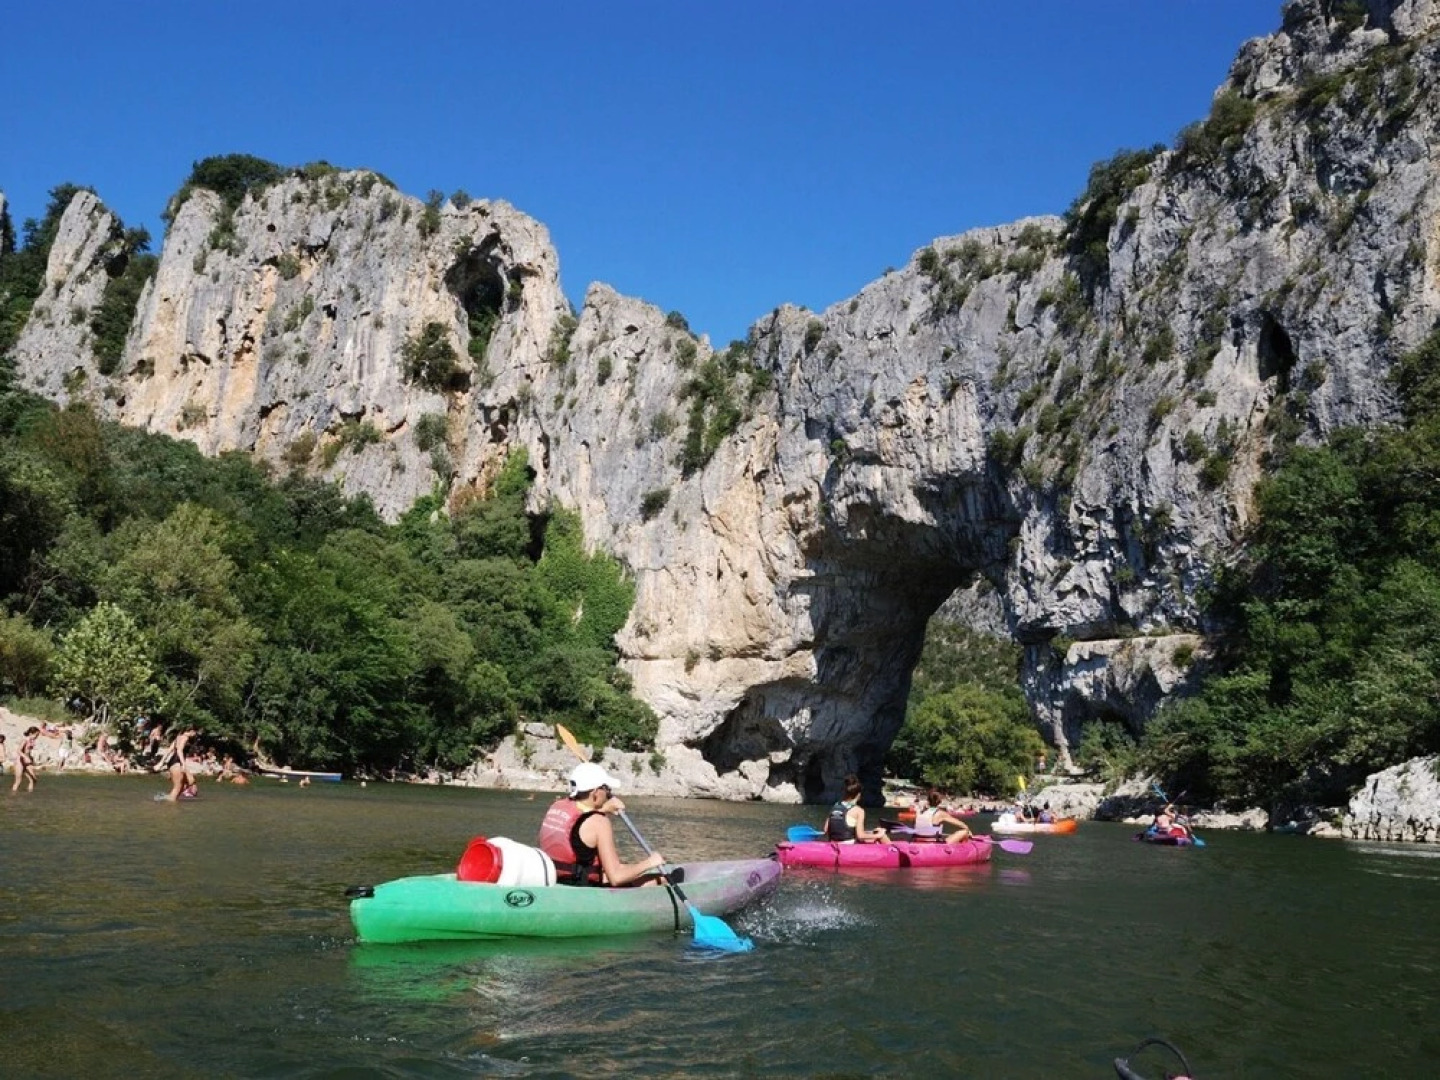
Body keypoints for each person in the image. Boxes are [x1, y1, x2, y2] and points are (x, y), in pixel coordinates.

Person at [537, 762, 667, 886]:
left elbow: (579, 824)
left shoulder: (557, 806)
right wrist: (650, 863)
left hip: (556, 879)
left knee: (609, 871)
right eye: (607, 789)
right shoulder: (599, 822)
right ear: (595, 793)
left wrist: (603, 809)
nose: (608, 793)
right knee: (660, 879)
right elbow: (616, 878)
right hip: (583, 887)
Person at [822, 774, 889, 843]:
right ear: (858, 794)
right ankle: (892, 848)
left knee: (874, 832)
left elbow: (825, 829)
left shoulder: (835, 806)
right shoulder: (858, 811)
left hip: (833, 842)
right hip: (849, 845)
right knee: (881, 833)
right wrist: (879, 835)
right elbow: (860, 836)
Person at [12, 726, 40, 792]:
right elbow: (18, 750)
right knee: (18, 781)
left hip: (27, 762)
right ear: (30, 733)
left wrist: (31, 758)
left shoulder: (32, 741)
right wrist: (25, 757)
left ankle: (29, 793)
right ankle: (13, 794)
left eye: (38, 735)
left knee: (33, 779)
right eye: (36, 735)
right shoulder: (25, 740)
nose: (37, 737)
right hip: (20, 761)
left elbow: (28, 751)